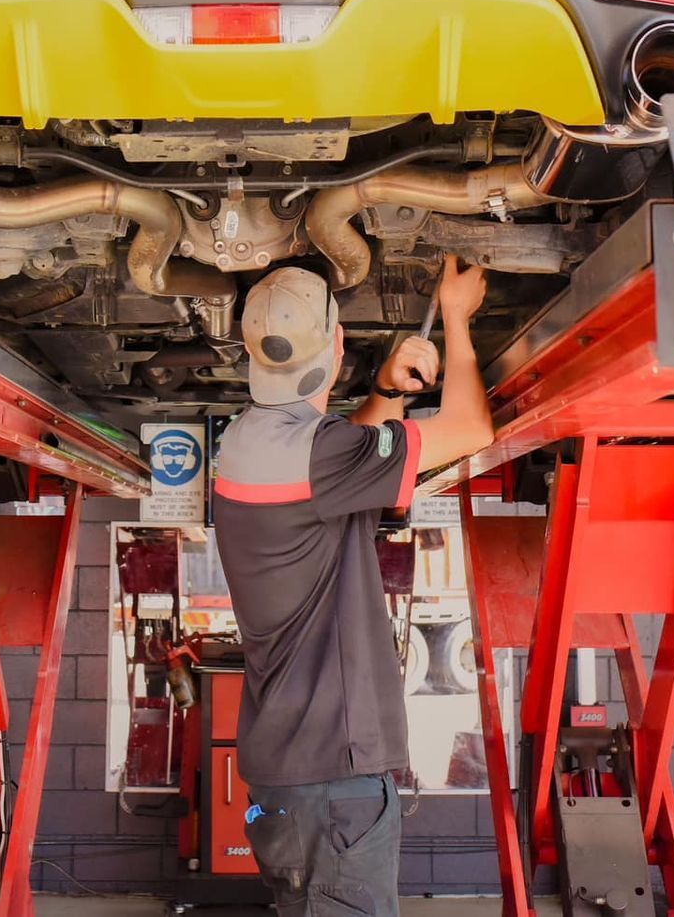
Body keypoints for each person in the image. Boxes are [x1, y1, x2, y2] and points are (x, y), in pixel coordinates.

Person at [211, 256, 496, 916]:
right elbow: (471, 429)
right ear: (336, 344)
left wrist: (388, 391)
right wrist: (455, 313)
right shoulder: (318, 454)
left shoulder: (248, 440)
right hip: (334, 787)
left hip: (289, 784)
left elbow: (335, 459)